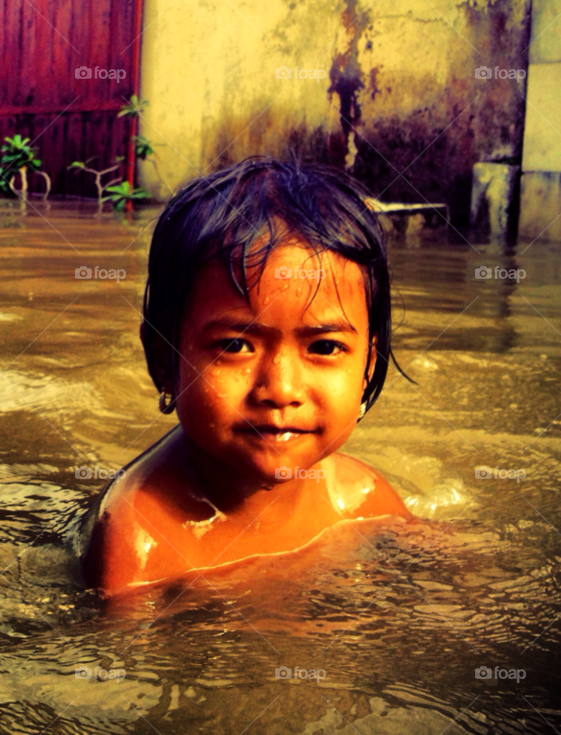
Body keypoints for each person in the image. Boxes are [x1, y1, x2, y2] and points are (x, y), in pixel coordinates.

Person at [79, 157, 411, 595]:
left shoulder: (363, 499)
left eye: (324, 347)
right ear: (163, 359)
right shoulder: (139, 546)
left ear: (369, 365)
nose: (281, 390)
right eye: (235, 346)